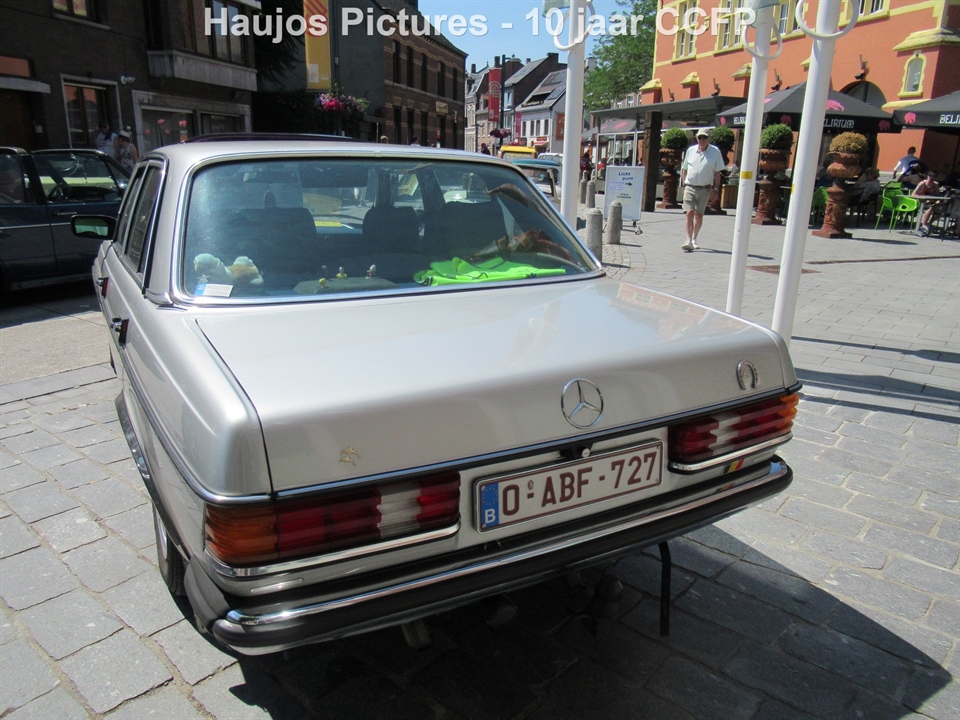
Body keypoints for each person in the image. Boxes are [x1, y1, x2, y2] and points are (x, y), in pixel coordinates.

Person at [679, 128, 725, 252]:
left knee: (699, 215)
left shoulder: (715, 152)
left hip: (705, 188)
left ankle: (694, 238)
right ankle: (688, 240)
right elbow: (684, 169)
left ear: (709, 138)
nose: (702, 140)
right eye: (700, 137)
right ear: (697, 138)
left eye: (704, 137)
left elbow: (718, 172)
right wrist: (683, 185)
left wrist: (716, 189)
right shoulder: (691, 150)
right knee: (689, 212)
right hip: (690, 186)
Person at [915, 170, 942, 236]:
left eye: (934, 176)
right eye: (930, 176)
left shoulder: (935, 185)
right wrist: (922, 198)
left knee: (940, 209)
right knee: (931, 208)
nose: (932, 178)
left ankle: (928, 223)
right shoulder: (922, 184)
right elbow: (914, 194)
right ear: (927, 176)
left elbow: (937, 195)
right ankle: (924, 225)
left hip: (930, 202)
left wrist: (936, 189)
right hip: (920, 201)